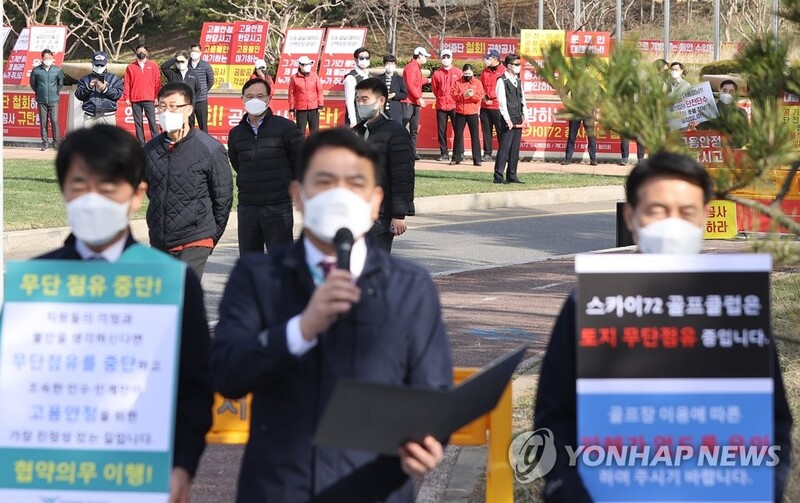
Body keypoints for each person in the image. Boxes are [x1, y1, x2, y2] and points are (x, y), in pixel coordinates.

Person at [533, 151, 793, 502]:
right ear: (631, 217)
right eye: (657, 210)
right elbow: (553, 421)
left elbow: (773, 422)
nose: (673, 224)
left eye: (686, 213)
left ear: (704, 218)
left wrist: (764, 487)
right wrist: (571, 491)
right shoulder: (589, 304)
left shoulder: (736, 306)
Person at [211, 127, 453, 503]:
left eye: (354, 184)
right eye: (324, 182)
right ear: (299, 196)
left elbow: (432, 393)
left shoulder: (410, 287)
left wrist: (429, 439)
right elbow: (227, 372)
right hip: (279, 488)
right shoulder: (258, 275)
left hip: (373, 489)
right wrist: (301, 329)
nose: (340, 195)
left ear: (376, 202)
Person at [40, 124, 213, 503]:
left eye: (107, 187)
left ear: (136, 196)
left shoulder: (171, 281)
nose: (92, 199)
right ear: (64, 192)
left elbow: (196, 385)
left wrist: (182, 466)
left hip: (140, 470)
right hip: (50, 473)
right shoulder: (35, 283)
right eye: (79, 185)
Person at [144, 83, 233, 279]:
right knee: (162, 300)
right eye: (162, 107)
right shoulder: (150, 150)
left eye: (174, 106)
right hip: (160, 239)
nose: (167, 112)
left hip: (195, 238)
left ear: (189, 110)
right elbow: (151, 189)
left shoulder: (210, 149)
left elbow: (223, 198)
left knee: (182, 293)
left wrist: (210, 236)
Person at [228, 78, 303, 255]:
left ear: (269, 99)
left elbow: (299, 162)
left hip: (277, 205)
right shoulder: (236, 133)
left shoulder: (286, 128)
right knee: (250, 262)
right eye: (250, 96)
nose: (255, 100)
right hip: (248, 206)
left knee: (280, 263)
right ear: (242, 100)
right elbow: (237, 163)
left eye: (260, 96)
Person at [353, 78, 415, 252]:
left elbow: (402, 175)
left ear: (381, 101)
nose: (360, 103)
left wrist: (398, 215)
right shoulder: (357, 132)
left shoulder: (396, 133)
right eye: (358, 99)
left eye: (365, 99)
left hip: (381, 214)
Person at [493, 54, 529, 184]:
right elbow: (501, 101)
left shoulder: (518, 81)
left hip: (518, 117)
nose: (519, 67)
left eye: (519, 64)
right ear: (509, 66)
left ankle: (512, 175)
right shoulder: (502, 81)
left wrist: (526, 117)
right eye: (516, 64)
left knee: (515, 149)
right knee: (505, 148)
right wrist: (507, 119)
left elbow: (522, 100)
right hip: (507, 118)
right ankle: (498, 175)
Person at [124, 44, 161, 145]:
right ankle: (141, 143)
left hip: (149, 98)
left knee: (152, 121)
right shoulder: (131, 67)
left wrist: (157, 96)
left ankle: (156, 142)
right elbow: (127, 82)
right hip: (135, 99)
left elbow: (157, 81)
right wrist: (126, 97)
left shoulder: (153, 65)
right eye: (138, 51)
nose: (141, 53)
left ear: (147, 53)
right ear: (136, 53)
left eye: (143, 51)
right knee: (138, 123)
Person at [75, 50, 123, 127]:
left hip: (108, 115)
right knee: (89, 138)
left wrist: (105, 89)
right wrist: (88, 87)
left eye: (101, 65)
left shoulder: (114, 78)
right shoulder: (85, 79)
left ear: (106, 64)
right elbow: (79, 95)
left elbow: (118, 94)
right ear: (92, 64)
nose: (99, 67)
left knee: (109, 138)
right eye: (97, 65)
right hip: (90, 115)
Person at [430, 49, 462, 162]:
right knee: (441, 130)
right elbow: (435, 89)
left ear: (452, 58)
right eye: (444, 57)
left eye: (448, 57)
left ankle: (459, 153)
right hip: (441, 105)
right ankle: (444, 153)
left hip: (454, 105)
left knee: (458, 129)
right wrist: (441, 97)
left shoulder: (458, 72)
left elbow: (461, 87)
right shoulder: (437, 74)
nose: (446, 59)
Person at [696, 79, 749, 147]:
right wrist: (694, 126)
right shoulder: (710, 111)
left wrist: (732, 145)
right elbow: (701, 130)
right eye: (725, 90)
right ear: (720, 91)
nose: (727, 93)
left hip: (732, 152)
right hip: (713, 150)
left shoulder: (741, 112)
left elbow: (745, 136)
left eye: (731, 91)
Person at [451, 64, 485, 166]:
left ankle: (477, 159)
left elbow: (480, 96)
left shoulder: (477, 83)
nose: (467, 75)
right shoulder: (457, 82)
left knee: (475, 136)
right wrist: (462, 95)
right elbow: (453, 95)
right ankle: (456, 158)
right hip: (460, 112)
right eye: (465, 74)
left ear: (473, 73)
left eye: (469, 74)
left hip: (472, 112)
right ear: (462, 73)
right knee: (458, 136)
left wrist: (472, 95)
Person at [29, 48, 64, 150]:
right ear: (42, 58)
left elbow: (60, 83)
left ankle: (56, 142)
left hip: (54, 100)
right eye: (45, 57)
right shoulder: (36, 70)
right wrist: (39, 92)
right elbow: (33, 84)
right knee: (43, 122)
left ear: (52, 58)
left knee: (54, 120)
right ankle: (45, 143)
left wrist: (55, 92)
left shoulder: (57, 70)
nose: (47, 59)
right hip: (41, 100)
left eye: (49, 57)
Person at [402, 46, 430, 160]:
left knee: (414, 129)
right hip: (409, 102)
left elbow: (416, 82)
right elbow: (410, 84)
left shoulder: (415, 67)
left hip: (413, 102)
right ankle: (402, 151)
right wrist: (419, 98)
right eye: (425, 56)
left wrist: (427, 80)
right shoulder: (412, 67)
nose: (426, 58)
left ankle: (412, 152)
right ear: (419, 55)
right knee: (403, 127)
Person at [479, 49, 506, 163]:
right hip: (485, 106)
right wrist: (485, 99)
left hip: (498, 106)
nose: (485, 60)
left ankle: (503, 153)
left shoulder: (504, 71)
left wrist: (495, 99)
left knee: (501, 131)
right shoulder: (484, 71)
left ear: (495, 59)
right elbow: (480, 87)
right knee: (486, 131)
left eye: (488, 58)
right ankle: (487, 153)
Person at [160, 51, 201, 126]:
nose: (180, 64)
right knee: (176, 125)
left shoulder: (193, 74)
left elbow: (198, 89)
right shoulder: (172, 73)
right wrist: (175, 59)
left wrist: (194, 100)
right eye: (178, 62)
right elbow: (163, 67)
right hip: (175, 105)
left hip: (188, 104)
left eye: (182, 61)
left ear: (187, 61)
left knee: (189, 124)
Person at [288, 55, 324, 137]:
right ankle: (300, 148)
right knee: (300, 131)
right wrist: (291, 109)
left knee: (315, 131)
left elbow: (320, 91)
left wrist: (320, 105)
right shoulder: (294, 78)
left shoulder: (314, 76)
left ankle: (315, 148)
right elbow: (291, 94)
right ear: (300, 65)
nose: (307, 66)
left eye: (308, 64)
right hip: (301, 108)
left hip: (314, 108)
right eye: (305, 64)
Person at [343, 47, 372, 127]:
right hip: (357, 116)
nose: (364, 60)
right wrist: (353, 120)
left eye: (367, 58)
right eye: (362, 58)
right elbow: (349, 101)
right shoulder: (351, 78)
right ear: (356, 60)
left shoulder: (369, 76)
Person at [188, 43, 215, 131]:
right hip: (188, 100)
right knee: (189, 125)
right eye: (192, 51)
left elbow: (210, 81)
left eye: (196, 51)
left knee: (203, 125)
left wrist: (203, 90)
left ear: (200, 53)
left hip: (201, 100)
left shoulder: (206, 66)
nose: (194, 53)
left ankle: (204, 144)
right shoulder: (186, 65)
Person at [382, 54, 407, 124]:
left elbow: (404, 94)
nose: (390, 66)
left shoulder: (400, 79)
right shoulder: (379, 78)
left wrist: (395, 95)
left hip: (395, 112)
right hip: (381, 112)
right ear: (384, 65)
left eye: (392, 63)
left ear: (395, 65)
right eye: (388, 63)